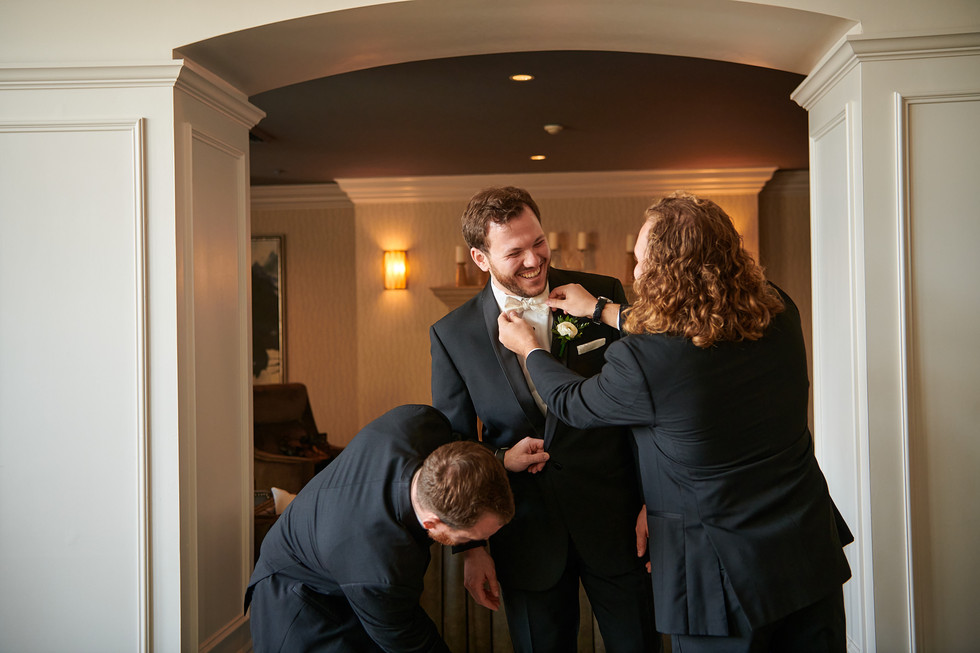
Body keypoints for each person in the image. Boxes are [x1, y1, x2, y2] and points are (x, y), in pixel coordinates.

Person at [498, 191, 854, 653]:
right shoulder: (775, 308)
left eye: (642, 262)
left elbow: (571, 402)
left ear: (667, 274)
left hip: (721, 577)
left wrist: (530, 349)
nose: (635, 273)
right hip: (807, 552)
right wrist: (601, 310)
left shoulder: (646, 360)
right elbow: (692, 327)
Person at [430, 186, 659, 652]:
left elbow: (646, 411)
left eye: (538, 242)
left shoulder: (603, 295)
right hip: (526, 532)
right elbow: (455, 446)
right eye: (514, 252)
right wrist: (471, 547)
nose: (534, 260)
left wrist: (653, 503)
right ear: (480, 258)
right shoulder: (452, 334)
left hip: (617, 522)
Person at [245, 403, 544, 652]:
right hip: (298, 602)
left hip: (346, 562)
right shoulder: (380, 571)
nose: (487, 541)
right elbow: (415, 645)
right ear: (432, 523)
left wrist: (473, 547)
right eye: (477, 536)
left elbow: (462, 455)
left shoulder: (419, 423)